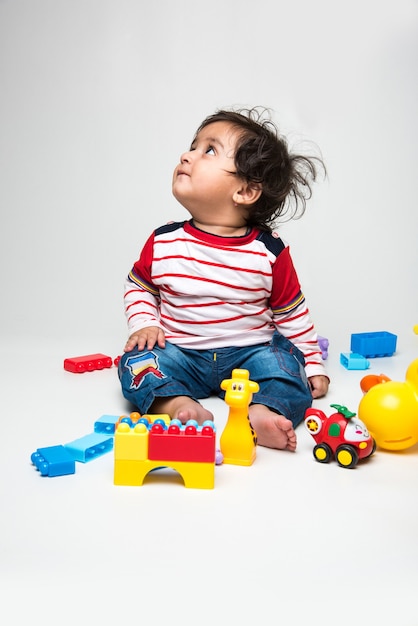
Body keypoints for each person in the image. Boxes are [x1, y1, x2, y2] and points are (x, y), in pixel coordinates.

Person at [118, 107, 329, 452]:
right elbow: (139, 287)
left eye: (209, 150)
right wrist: (143, 323)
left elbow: (292, 314)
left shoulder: (269, 251)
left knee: (289, 370)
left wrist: (313, 362)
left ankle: (263, 411)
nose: (187, 155)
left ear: (245, 191)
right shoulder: (163, 242)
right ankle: (177, 405)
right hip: (181, 353)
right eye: (193, 146)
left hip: (250, 355)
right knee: (135, 364)